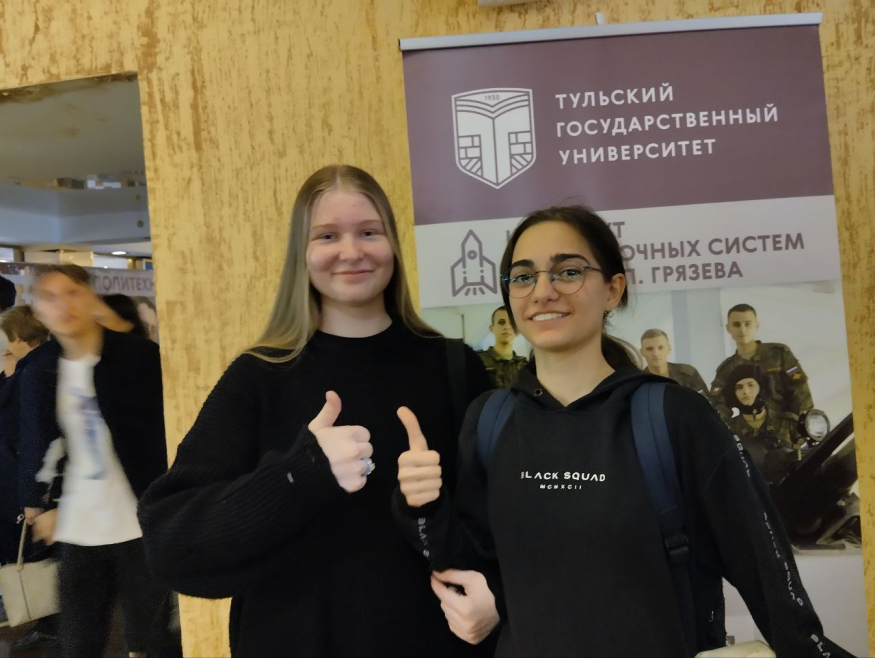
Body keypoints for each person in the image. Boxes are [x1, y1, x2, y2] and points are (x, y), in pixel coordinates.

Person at [393, 206, 851, 657]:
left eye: (568, 272)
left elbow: (768, 575)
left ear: (612, 289)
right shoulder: (491, 420)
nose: (543, 291)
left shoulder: (674, 416)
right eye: (524, 276)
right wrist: (423, 502)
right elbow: (472, 563)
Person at [137, 165, 493, 657]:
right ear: (301, 255)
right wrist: (301, 473)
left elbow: (500, 525)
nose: (351, 251)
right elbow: (171, 546)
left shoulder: (454, 367)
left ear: (392, 244)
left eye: (369, 232)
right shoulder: (258, 377)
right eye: (327, 236)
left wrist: (496, 599)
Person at [18, 264, 174, 658]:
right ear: (38, 312)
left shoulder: (138, 359)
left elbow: (164, 432)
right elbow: (35, 439)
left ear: (91, 299)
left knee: (149, 641)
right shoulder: (40, 371)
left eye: (72, 293)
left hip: (139, 521)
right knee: (78, 642)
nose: (63, 305)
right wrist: (39, 502)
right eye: (50, 298)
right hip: (78, 526)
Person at [710, 304, 813, 422]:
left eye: (747, 324)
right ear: (728, 328)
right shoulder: (727, 368)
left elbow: (799, 386)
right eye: (736, 325)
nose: (742, 330)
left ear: (756, 325)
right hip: (750, 429)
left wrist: (798, 422)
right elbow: (718, 404)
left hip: (784, 426)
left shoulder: (778, 354)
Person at [721, 363, 803, 486]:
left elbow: (808, 457)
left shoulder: (788, 422)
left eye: (751, 385)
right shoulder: (727, 431)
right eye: (739, 387)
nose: (745, 391)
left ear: (761, 386)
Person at [639, 328, 707, 395]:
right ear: (642, 352)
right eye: (649, 349)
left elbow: (705, 401)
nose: (656, 354)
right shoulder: (639, 382)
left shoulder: (687, 374)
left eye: (660, 348)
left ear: (669, 349)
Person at [477, 306, 528, 388]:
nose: (507, 327)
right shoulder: (478, 360)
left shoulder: (524, 365)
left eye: (511, 323)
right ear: (492, 328)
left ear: (517, 329)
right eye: (501, 322)